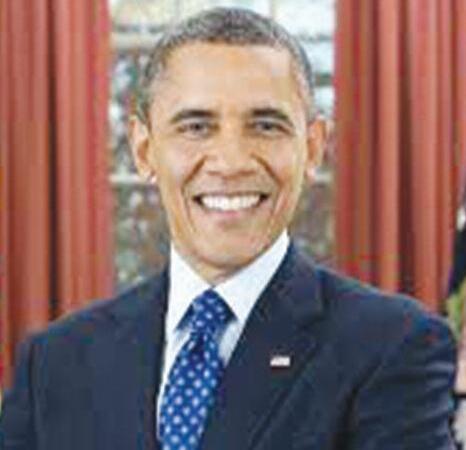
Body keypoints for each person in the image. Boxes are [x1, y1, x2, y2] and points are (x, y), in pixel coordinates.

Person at [0, 7, 457, 450]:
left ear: (314, 147)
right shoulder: (53, 363)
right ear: (143, 150)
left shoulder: (393, 347)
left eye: (266, 126)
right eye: (197, 126)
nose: (232, 161)